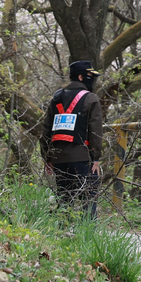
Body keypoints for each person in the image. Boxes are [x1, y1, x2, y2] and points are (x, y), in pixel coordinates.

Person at [41, 60, 105, 216]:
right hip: (83, 158)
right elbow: (95, 131)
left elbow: (45, 130)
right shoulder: (91, 99)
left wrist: (47, 158)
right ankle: (87, 236)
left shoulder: (56, 98)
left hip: (58, 158)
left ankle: (63, 236)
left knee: (64, 201)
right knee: (88, 200)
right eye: (91, 76)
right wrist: (95, 158)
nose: (93, 80)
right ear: (82, 77)